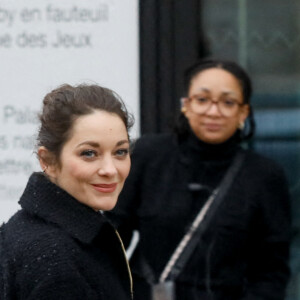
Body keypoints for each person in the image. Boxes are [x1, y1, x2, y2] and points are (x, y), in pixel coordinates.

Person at [106, 58, 291, 300]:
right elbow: (111, 237)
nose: (213, 111)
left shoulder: (265, 176)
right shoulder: (148, 155)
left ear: (243, 112)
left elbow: (271, 271)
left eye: (227, 102)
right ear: (186, 105)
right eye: (202, 100)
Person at [0, 84, 134, 299]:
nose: (110, 169)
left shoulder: (37, 230)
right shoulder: (54, 255)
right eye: (89, 153)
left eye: (120, 152)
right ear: (48, 160)